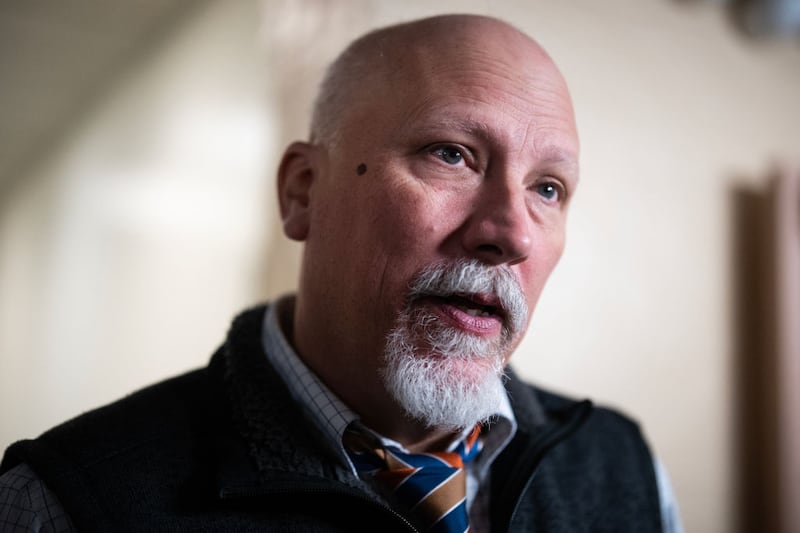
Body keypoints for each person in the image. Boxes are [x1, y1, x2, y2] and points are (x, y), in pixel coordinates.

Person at [0, 13, 683, 532]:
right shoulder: (65, 502)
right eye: (451, 153)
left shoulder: (623, 467)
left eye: (548, 189)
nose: (510, 233)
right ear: (303, 191)